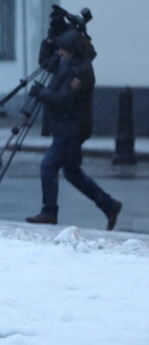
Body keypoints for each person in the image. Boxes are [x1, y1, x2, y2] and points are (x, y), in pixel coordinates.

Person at [26, 29, 122, 230]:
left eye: (64, 49)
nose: (59, 52)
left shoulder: (81, 71)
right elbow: (46, 62)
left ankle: (49, 212)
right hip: (66, 127)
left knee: (48, 166)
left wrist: (40, 93)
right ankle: (109, 205)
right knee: (73, 173)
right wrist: (50, 38)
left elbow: (63, 100)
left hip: (72, 129)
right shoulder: (68, 63)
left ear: (74, 50)